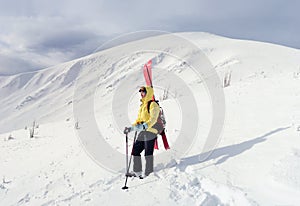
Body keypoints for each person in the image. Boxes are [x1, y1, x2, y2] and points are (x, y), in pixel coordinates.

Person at [124, 86, 160, 177]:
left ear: (148, 93)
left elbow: (153, 119)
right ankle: (137, 171)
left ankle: (148, 172)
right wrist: (130, 128)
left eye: (143, 92)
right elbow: (138, 121)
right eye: (141, 92)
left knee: (148, 153)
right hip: (143, 131)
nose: (141, 94)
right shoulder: (142, 106)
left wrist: (144, 126)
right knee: (135, 151)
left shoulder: (153, 105)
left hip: (151, 131)